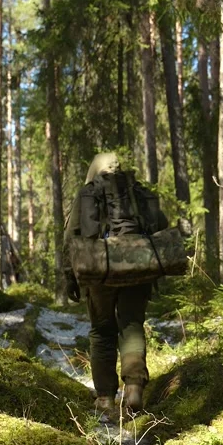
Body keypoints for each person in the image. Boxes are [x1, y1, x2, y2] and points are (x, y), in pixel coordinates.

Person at [64, 152, 168, 414]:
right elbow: (161, 227)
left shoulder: (88, 193)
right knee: (131, 325)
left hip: (99, 269)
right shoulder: (139, 192)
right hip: (137, 266)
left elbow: (71, 236)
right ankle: (134, 388)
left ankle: (105, 398)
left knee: (102, 331)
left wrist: (70, 276)